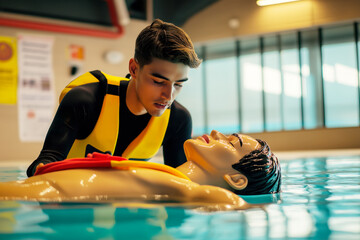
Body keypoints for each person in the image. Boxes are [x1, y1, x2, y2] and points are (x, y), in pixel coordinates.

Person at [26, 19, 202, 177]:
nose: (168, 96)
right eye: (158, 81)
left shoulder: (178, 120)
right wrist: (40, 171)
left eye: (178, 84)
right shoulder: (85, 101)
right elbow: (47, 161)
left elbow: (179, 183)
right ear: (134, 69)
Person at [0, 130, 280, 206]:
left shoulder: (194, 191)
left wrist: (256, 204)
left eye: (232, 143)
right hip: (40, 190)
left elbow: (229, 202)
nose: (218, 132)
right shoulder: (166, 174)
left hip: (48, 194)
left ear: (236, 179)